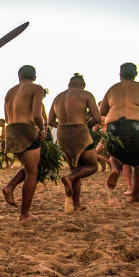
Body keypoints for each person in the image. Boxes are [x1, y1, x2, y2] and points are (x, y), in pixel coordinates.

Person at [100, 62, 139, 203]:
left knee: (115, 153)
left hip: (115, 126)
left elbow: (102, 111)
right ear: (136, 74)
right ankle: (135, 196)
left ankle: (115, 169)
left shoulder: (112, 89)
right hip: (137, 125)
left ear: (120, 75)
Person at [48, 73, 101, 212]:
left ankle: (76, 205)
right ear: (82, 85)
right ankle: (68, 178)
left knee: (76, 171)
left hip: (63, 134)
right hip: (80, 132)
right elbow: (97, 117)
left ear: (69, 84)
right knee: (92, 166)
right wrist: (87, 124)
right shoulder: (86, 94)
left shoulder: (58, 97)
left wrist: (63, 124)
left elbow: (50, 121)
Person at [1, 65, 45, 221]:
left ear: (19, 76)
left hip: (11, 129)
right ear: (34, 77)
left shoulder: (10, 92)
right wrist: (43, 129)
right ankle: (24, 214)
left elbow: (6, 117)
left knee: (28, 168)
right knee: (33, 173)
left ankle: (10, 186)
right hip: (26, 129)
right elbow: (36, 114)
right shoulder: (36, 88)